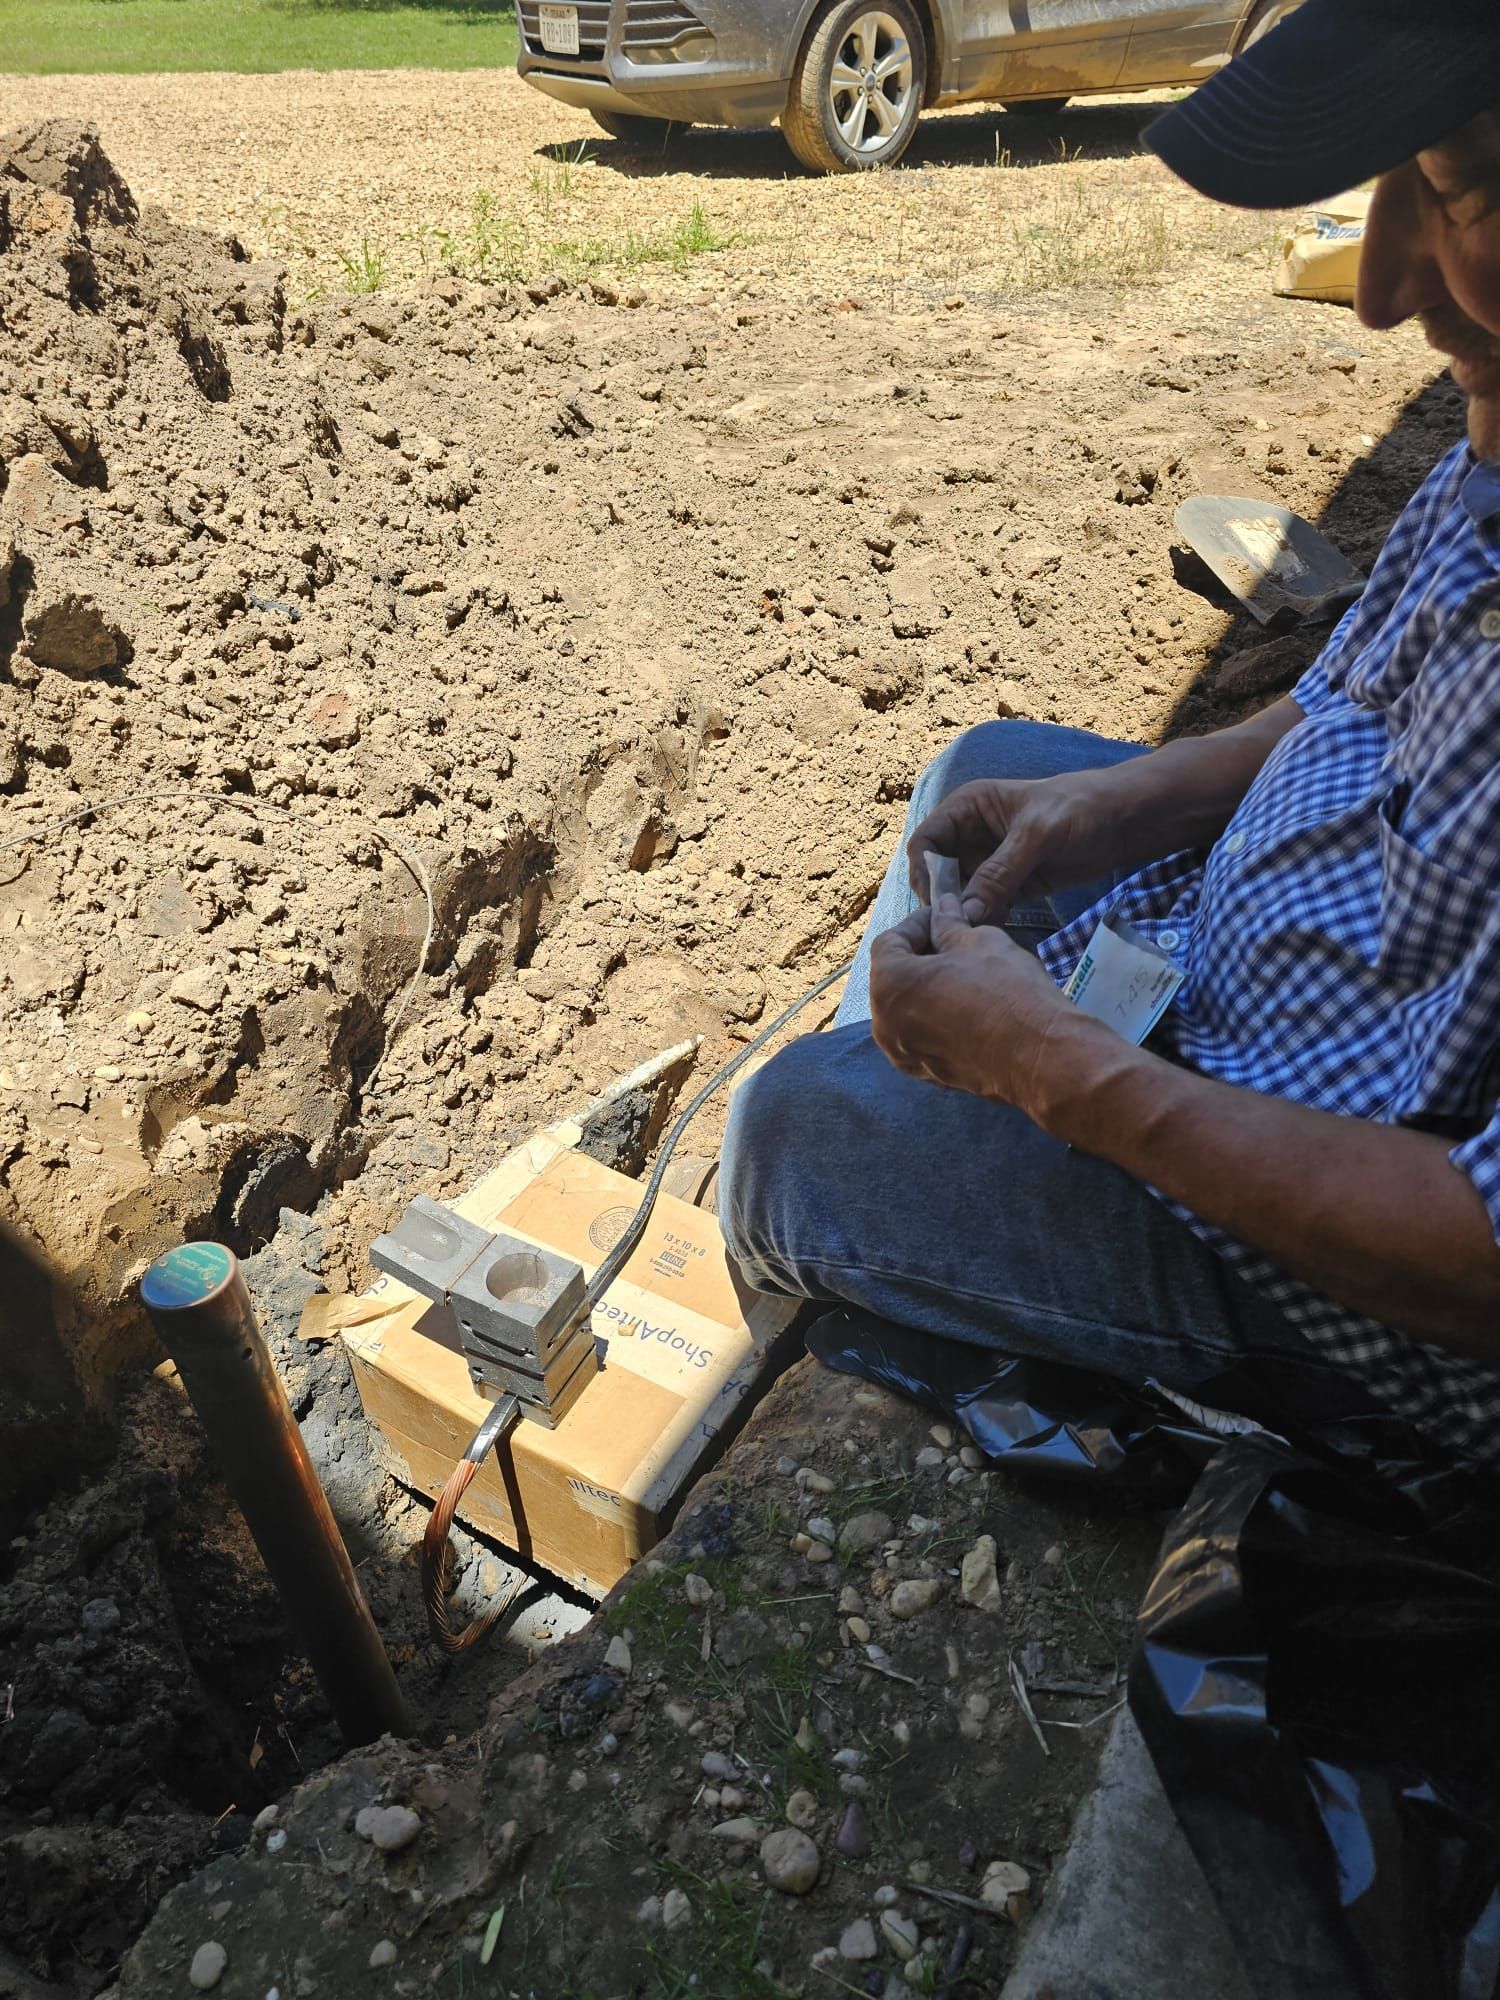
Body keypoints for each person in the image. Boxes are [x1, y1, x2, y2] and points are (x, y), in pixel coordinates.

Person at [720, 0, 1500, 1466]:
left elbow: (1480, 1257)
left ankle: (863, 1377)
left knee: (785, 1146)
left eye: (1457, 183)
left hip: (1333, 1271)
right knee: (983, 776)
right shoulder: (1499, 449)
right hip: (1228, 986)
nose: (1386, 287)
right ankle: (934, 1096)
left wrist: (1065, 1080)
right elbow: (1349, 693)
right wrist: (1119, 806)